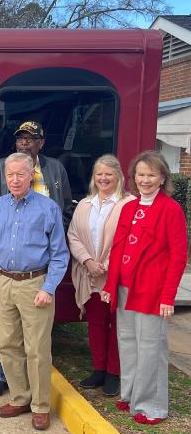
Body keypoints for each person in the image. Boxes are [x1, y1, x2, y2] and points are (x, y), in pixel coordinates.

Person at [0, 120, 72, 398]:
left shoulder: (54, 174)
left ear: (41, 143)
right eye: (20, 138)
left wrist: (49, 283)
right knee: (7, 343)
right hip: (4, 278)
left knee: (37, 347)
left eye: (31, 138)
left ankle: (40, 405)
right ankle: (13, 392)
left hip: (35, 276)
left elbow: (64, 211)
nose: (25, 142)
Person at [101, 151, 187, 425]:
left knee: (151, 348)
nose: (145, 180)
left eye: (151, 175)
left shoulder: (171, 209)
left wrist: (168, 296)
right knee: (128, 344)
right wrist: (110, 285)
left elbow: (178, 256)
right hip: (126, 287)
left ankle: (152, 406)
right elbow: (117, 250)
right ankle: (131, 395)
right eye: (141, 175)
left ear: (162, 178)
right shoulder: (128, 207)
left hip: (152, 291)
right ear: (133, 178)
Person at [67, 155, 134, 397]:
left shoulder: (129, 204)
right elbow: (73, 235)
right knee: (96, 324)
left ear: (118, 176)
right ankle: (99, 369)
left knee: (117, 325)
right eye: (99, 174)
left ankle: (114, 374)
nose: (103, 178)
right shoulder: (85, 204)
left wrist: (106, 265)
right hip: (90, 275)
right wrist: (87, 261)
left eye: (108, 174)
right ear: (94, 177)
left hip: (117, 277)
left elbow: (129, 240)